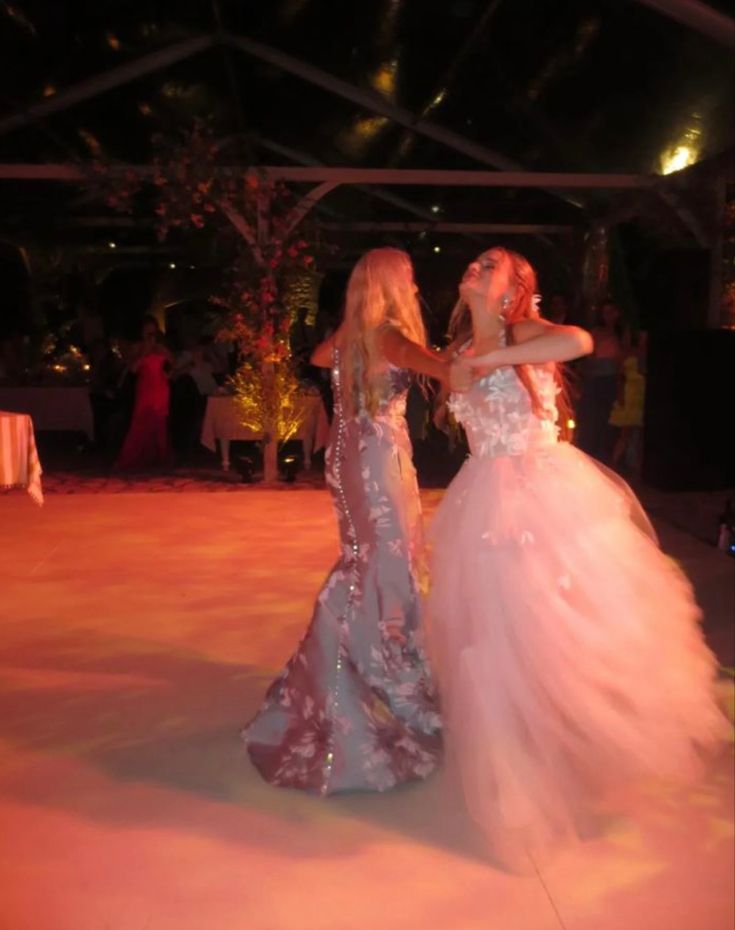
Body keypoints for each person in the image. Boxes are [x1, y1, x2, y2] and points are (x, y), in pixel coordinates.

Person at [427, 247, 729, 869]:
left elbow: (581, 343)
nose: (477, 270)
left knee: (554, 631)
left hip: (542, 493)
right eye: (475, 264)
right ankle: (514, 775)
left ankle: (563, 751)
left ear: (514, 289)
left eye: (491, 266)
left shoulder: (524, 330)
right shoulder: (454, 353)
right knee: (494, 639)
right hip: (482, 500)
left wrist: (495, 356)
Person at [244, 247, 466, 795]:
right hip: (379, 460)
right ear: (393, 286)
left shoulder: (349, 337)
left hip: (345, 460)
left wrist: (354, 320)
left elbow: (319, 358)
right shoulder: (390, 336)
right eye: (410, 280)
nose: (415, 289)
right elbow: (444, 371)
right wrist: (469, 355)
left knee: (365, 558)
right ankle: (381, 668)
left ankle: (349, 656)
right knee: (389, 564)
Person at [115, 316, 172, 470]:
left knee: (159, 422)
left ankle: (160, 457)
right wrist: (144, 353)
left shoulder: (161, 348)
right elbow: (133, 369)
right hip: (145, 388)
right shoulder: (137, 347)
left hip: (160, 388)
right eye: (147, 332)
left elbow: (171, 368)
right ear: (142, 332)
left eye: (152, 332)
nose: (150, 335)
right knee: (141, 421)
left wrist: (167, 372)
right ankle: (135, 457)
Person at [575, 300, 623, 462]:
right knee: (591, 419)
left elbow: (621, 360)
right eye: (605, 312)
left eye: (612, 311)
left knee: (607, 420)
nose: (608, 316)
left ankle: (604, 457)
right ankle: (587, 454)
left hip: (612, 379)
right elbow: (589, 358)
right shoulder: (596, 332)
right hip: (596, 380)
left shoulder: (621, 333)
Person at [609, 328, 647, 477]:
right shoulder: (624, 352)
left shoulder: (643, 351)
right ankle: (613, 465)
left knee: (640, 432)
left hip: (642, 390)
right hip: (630, 391)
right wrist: (620, 395)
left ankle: (638, 467)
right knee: (625, 432)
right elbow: (619, 376)